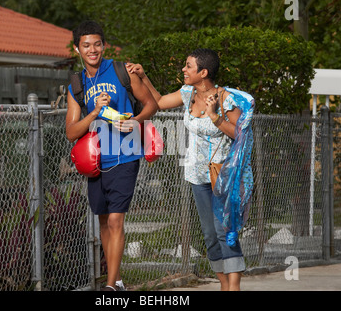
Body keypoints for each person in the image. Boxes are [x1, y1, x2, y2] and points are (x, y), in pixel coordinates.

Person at [126, 48, 254, 291]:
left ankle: (234, 288)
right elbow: (160, 102)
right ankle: (224, 286)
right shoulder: (188, 93)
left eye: (188, 66)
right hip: (197, 176)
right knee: (209, 235)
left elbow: (240, 134)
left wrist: (214, 116)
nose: (183, 70)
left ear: (203, 72)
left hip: (223, 176)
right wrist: (143, 77)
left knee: (225, 231)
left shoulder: (226, 99)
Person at [65, 21, 158, 291]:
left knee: (116, 219)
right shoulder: (76, 84)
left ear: (103, 45)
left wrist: (136, 122)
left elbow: (151, 103)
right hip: (95, 161)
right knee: (104, 221)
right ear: (77, 49)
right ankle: (116, 279)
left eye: (97, 44)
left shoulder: (121, 70)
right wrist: (93, 112)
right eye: (86, 45)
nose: (92, 50)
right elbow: (71, 132)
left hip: (125, 154)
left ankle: (109, 288)